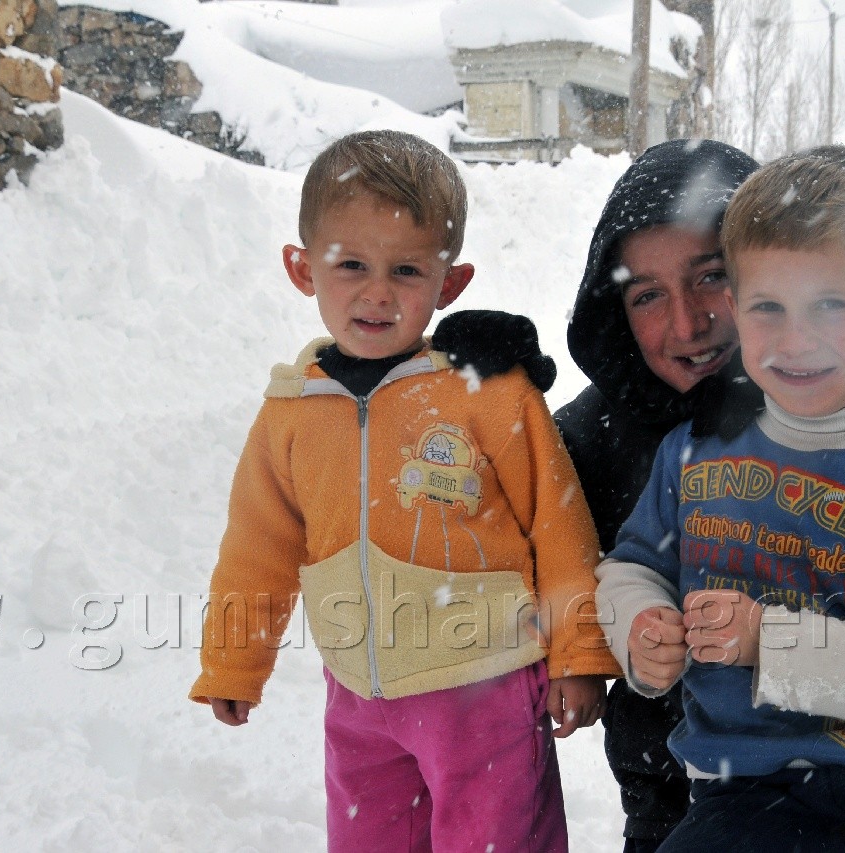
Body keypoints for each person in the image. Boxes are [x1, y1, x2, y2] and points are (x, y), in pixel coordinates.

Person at [432, 137, 845, 850]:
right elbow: (444, 530)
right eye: (647, 294)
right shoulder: (592, 443)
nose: (686, 323)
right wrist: (467, 396)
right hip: (697, 805)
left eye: (709, 277)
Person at [188, 129, 620, 852]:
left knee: (495, 840)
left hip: (483, 686)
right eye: (351, 263)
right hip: (359, 697)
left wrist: (578, 651)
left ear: (450, 284)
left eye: (408, 270)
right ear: (302, 268)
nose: (378, 291)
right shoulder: (293, 409)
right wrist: (235, 654)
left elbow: (559, 527)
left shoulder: (491, 391)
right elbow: (258, 545)